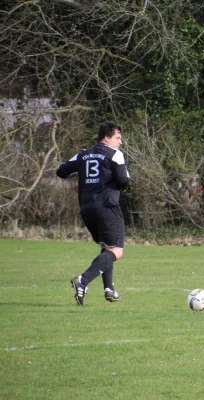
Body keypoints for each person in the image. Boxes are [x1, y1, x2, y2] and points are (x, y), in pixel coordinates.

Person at [56, 121, 130, 306]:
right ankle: (82, 280)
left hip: (87, 208)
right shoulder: (115, 154)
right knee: (116, 251)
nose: (120, 142)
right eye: (117, 137)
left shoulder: (84, 154)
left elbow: (62, 171)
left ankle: (109, 289)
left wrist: (81, 173)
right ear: (107, 138)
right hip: (107, 206)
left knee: (106, 247)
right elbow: (124, 180)